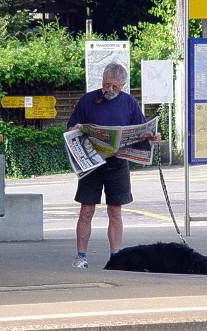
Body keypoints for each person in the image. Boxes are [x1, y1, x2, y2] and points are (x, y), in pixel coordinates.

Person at [67, 62, 160, 269]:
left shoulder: (129, 103)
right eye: (106, 84)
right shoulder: (88, 100)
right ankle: (81, 256)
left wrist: (152, 136)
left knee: (115, 211)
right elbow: (71, 126)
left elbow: (141, 129)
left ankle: (116, 257)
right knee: (86, 211)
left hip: (117, 164)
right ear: (102, 80)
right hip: (91, 163)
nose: (109, 89)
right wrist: (78, 128)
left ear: (123, 85)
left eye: (114, 86)